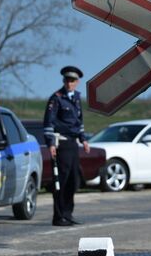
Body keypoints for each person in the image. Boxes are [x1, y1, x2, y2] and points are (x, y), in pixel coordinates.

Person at [43, 66, 90, 226]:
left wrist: (83, 139)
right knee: (60, 182)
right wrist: (50, 143)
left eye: (73, 81)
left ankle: (68, 213)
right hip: (61, 143)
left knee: (74, 181)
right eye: (67, 80)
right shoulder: (56, 98)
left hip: (73, 144)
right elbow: (48, 122)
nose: (70, 83)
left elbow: (79, 122)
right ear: (64, 81)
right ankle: (58, 216)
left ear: (77, 82)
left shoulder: (76, 98)